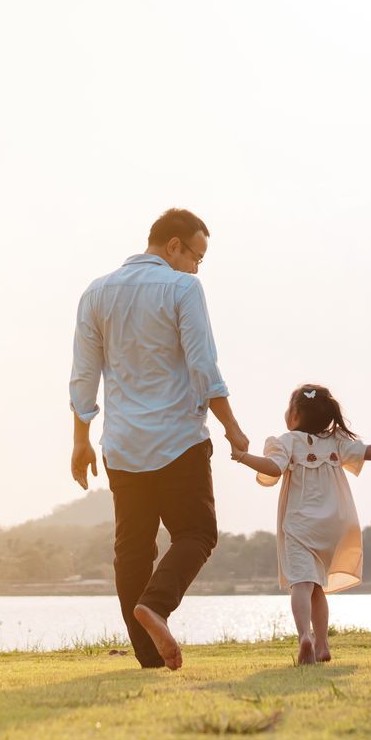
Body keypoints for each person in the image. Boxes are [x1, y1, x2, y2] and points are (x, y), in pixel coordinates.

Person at [70, 208, 251, 671]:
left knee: (132, 548)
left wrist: (81, 439)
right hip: (178, 440)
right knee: (197, 533)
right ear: (174, 246)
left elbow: (84, 376)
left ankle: (148, 658)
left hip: (123, 445)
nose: (196, 266)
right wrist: (232, 428)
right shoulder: (182, 287)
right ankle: (156, 606)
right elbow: (203, 366)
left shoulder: (96, 292)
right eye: (197, 256)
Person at [230, 384, 371, 665]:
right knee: (318, 586)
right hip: (335, 522)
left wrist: (244, 457)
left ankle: (303, 637)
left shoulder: (286, 442)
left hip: (300, 524)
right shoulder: (336, 441)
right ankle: (322, 644)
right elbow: (369, 451)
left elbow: (273, 468)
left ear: (294, 414)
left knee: (301, 585)